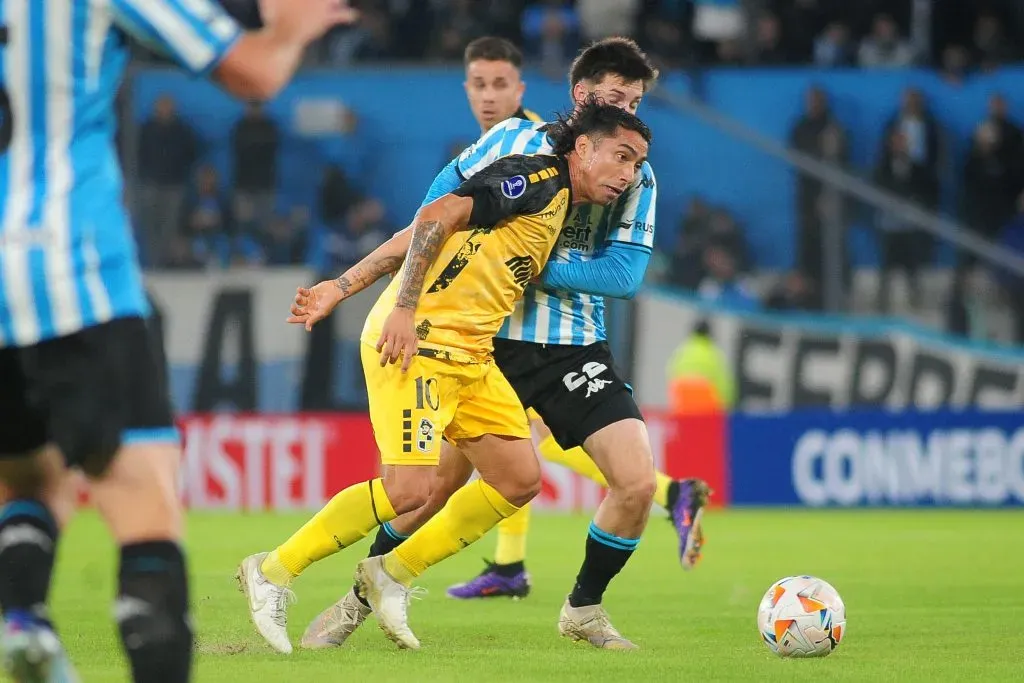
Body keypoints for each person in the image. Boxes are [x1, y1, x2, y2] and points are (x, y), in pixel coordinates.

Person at [295, 37, 708, 653]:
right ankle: (359, 599)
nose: (628, 113)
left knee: (636, 483)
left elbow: (623, 276)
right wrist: (364, 287)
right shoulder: (513, 144)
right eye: (616, 99)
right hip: (486, 339)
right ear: (583, 98)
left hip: (572, 343)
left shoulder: (636, 171)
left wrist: (528, 259)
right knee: (430, 491)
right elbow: (433, 213)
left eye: (637, 101)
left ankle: (584, 609)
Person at [0, 1, 355, 681]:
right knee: (145, 496)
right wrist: (292, 28)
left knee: (26, 473)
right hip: (71, 270)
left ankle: (24, 618)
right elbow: (252, 74)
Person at [237, 100, 653, 652]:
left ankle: (391, 573)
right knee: (409, 490)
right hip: (417, 345)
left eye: (637, 163)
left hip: (474, 357)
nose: (628, 176)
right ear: (583, 148)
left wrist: (339, 287)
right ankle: (272, 570)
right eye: (621, 157)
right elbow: (433, 216)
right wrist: (399, 308)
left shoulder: (559, 207)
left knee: (518, 479)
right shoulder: (533, 179)